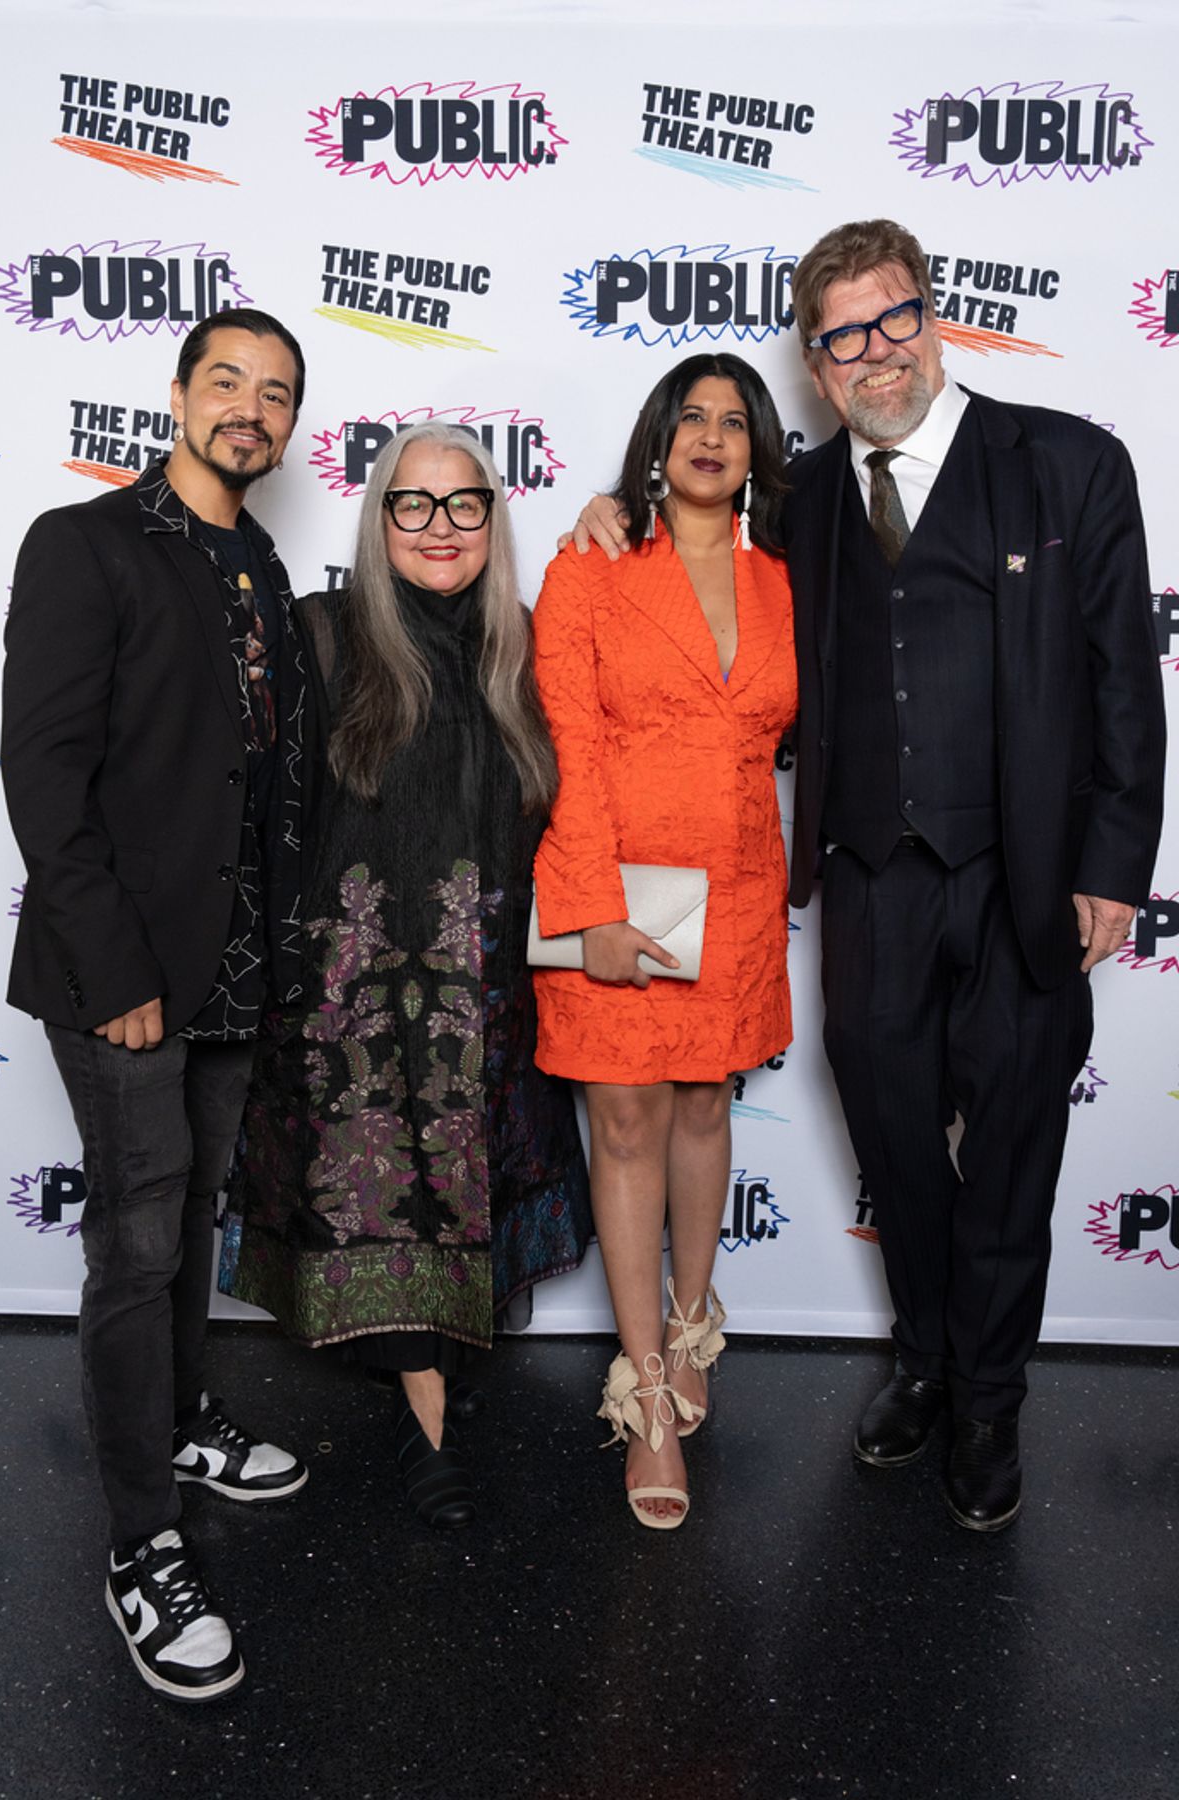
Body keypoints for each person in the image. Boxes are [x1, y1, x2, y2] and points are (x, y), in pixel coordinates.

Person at [576, 220, 1166, 1534]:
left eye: (894, 319)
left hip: (1028, 877)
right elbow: (693, 552)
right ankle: (925, 1359)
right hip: (869, 882)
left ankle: (988, 1403)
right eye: (844, 335)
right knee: (899, 1147)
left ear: (932, 315)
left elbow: (1128, 674)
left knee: (1011, 1152)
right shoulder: (806, 507)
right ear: (816, 360)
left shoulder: (1068, 464)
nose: (876, 352)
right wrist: (612, 512)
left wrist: (1116, 861)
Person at [2, 309, 325, 1701]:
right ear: (179, 395)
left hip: (237, 969)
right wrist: (118, 972)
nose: (251, 410)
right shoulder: (84, 545)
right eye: (228, 383)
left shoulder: (259, 564)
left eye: (277, 395)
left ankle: (184, 1418)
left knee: (191, 1211)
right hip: (122, 975)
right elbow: (44, 777)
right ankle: (142, 1543)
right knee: (138, 1245)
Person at [220, 422, 591, 1530]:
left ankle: (429, 1372)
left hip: (485, 996)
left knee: (465, 1194)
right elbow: (262, 812)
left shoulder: (523, 647)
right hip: (354, 1004)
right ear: (379, 522)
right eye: (413, 505)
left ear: (494, 515)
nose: (440, 527)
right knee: (391, 1196)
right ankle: (423, 1415)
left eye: (463, 503)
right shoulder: (324, 636)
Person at [533, 354, 797, 1529]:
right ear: (657, 437)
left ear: (757, 451)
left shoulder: (788, 576)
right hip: (619, 888)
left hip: (737, 890)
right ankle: (643, 1386)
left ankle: (698, 1322)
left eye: (733, 422)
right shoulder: (591, 564)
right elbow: (567, 750)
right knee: (627, 1119)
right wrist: (589, 910)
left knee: (702, 1104)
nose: (709, 435)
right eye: (689, 415)